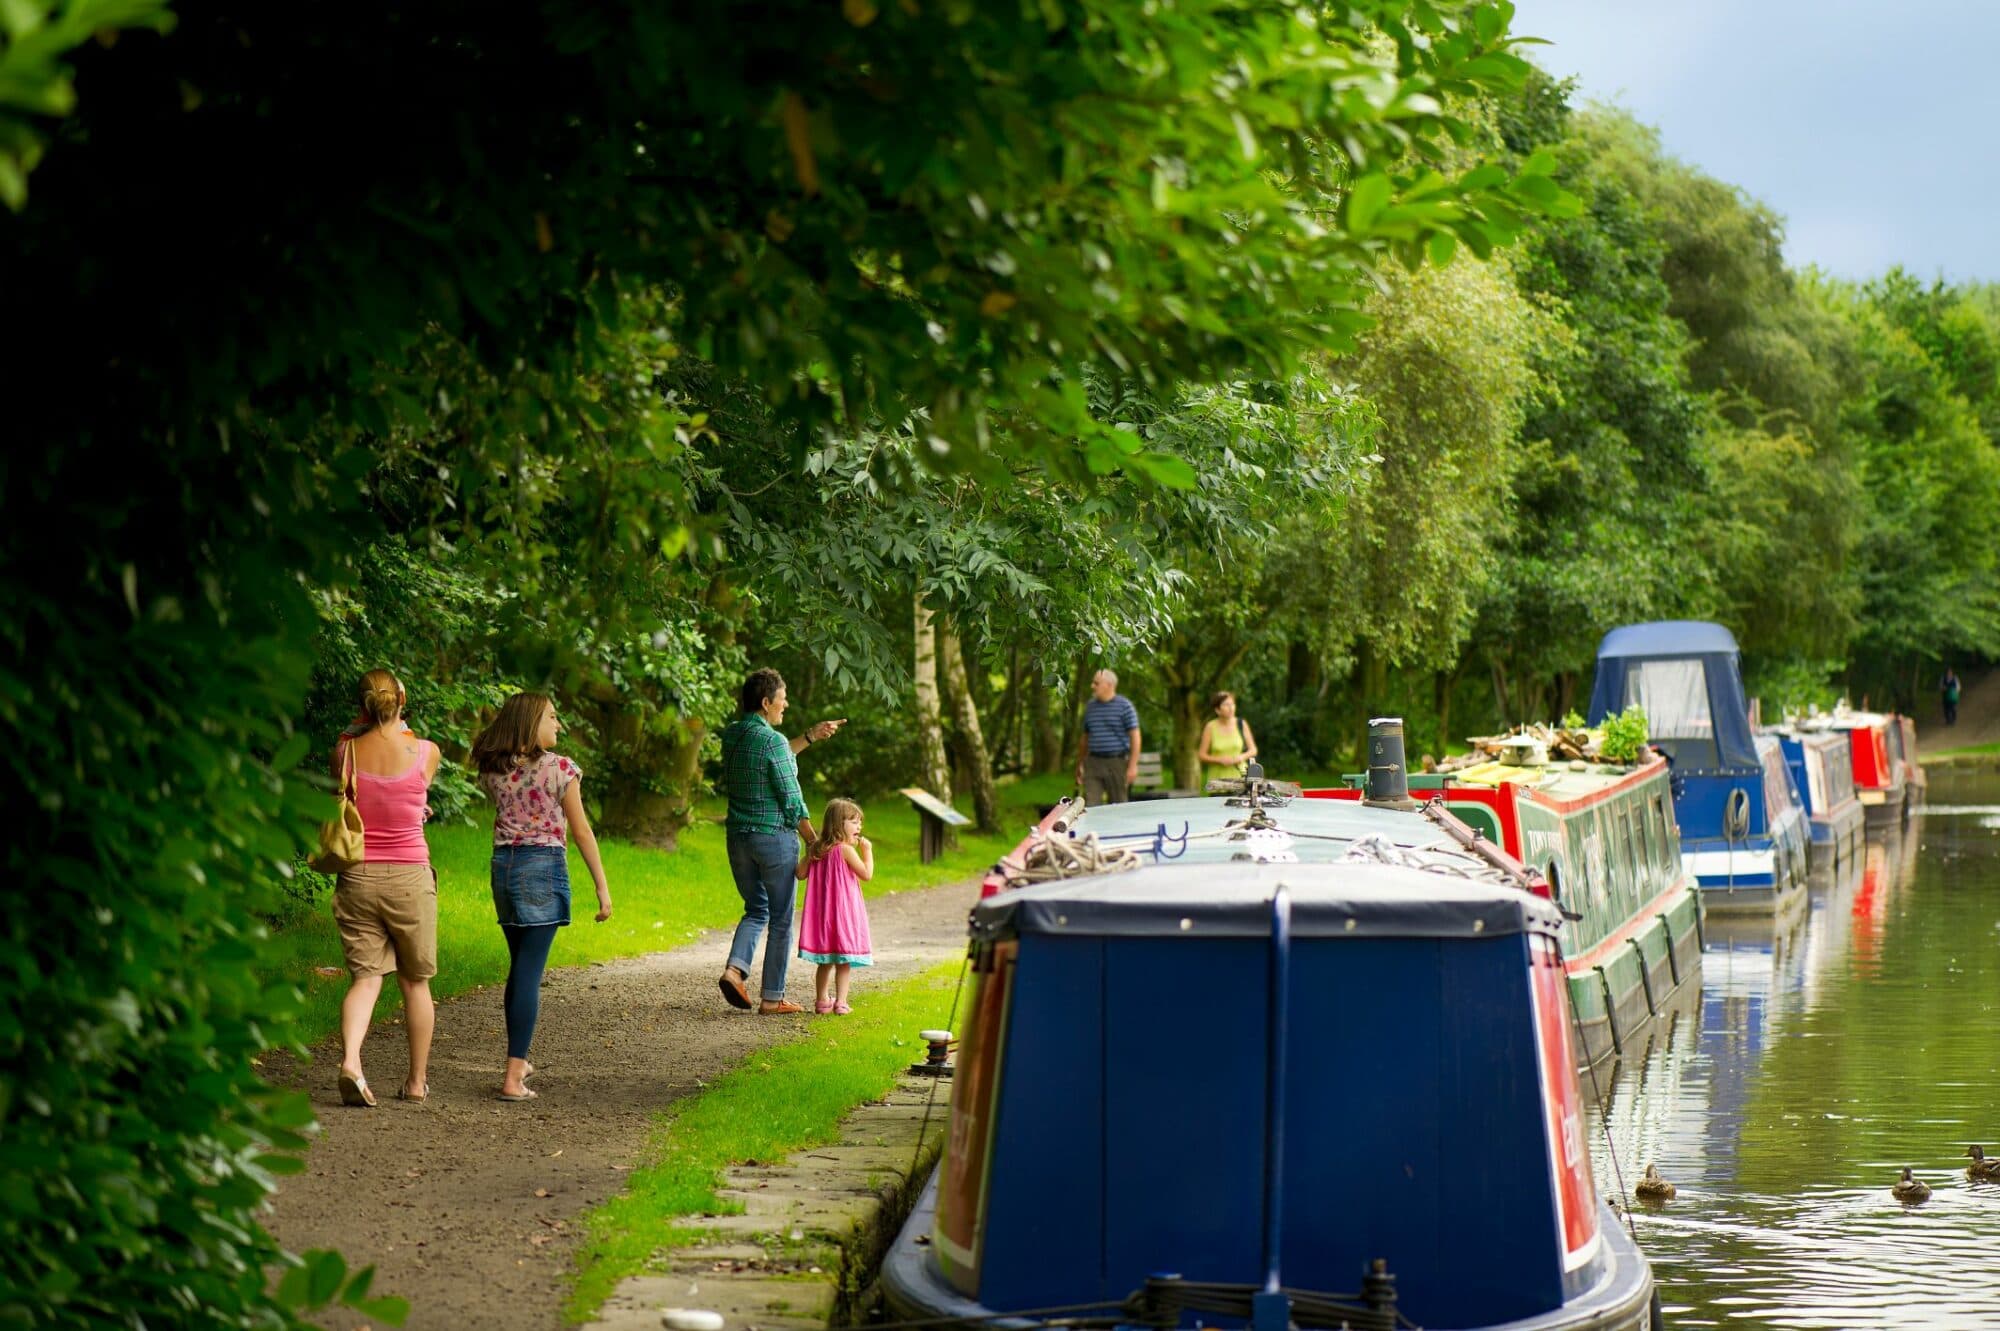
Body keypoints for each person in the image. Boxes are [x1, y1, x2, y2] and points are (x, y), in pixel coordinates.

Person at [470, 693, 612, 1102]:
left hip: (504, 869)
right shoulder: (560, 769)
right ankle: (514, 1075)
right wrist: (602, 887)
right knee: (529, 973)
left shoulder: (493, 769)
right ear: (531, 722)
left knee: (520, 968)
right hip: (541, 869)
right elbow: (581, 831)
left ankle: (518, 1059)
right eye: (552, 716)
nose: (558, 724)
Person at [330, 670, 442, 1108]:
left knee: (366, 978)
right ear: (401, 698)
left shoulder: (345, 752)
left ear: (361, 705)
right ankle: (416, 1083)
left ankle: (352, 1063)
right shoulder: (426, 752)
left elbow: (354, 799)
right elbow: (408, 797)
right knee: (415, 983)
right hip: (411, 877)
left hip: (358, 875)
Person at [717, 668, 845, 1014]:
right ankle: (772, 998)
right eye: (782, 700)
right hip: (773, 840)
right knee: (781, 918)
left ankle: (734, 971)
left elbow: (773, 755)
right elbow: (791, 798)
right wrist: (814, 841)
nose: (785, 705)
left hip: (738, 839)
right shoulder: (771, 740)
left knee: (756, 909)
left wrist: (810, 736)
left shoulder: (732, 735)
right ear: (765, 702)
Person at [796, 797, 874, 1015]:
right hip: (843, 915)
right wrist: (867, 852)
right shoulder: (845, 850)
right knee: (843, 960)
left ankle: (822, 1001)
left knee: (825, 961)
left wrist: (809, 854)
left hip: (823, 916)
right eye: (854, 822)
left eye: (860, 823)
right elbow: (866, 874)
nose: (859, 827)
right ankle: (841, 1002)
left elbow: (799, 873)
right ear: (839, 824)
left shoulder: (817, 849)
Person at [1075, 669, 1141, 805]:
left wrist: (1133, 766)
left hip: (1116, 762)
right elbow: (1085, 738)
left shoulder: (1125, 706)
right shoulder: (1090, 707)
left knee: (1118, 806)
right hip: (1093, 762)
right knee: (1090, 805)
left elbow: (1135, 737)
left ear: (1109, 685)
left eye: (1096, 683)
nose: (1092, 686)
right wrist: (1080, 763)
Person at [1196, 691, 1260, 787]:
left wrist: (1241, 757)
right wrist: (1219, 760)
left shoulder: (1241, 724)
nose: (1231, 708)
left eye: (1232, 704)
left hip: (1241, 779)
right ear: (1217, 710)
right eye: (1226, 705)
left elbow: (1253, 750)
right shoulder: (1210, 727)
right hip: (1218, 782)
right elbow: (1201, 755)